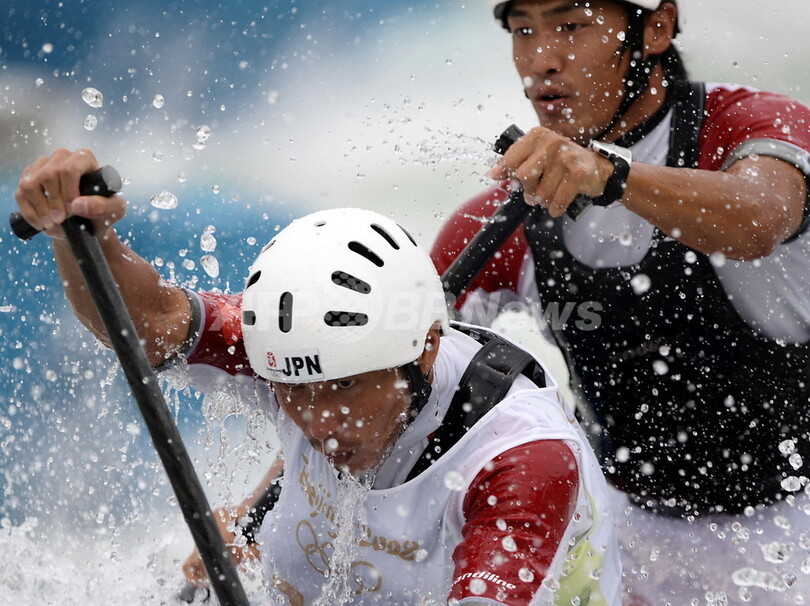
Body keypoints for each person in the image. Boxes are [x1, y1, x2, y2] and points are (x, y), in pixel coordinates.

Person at [14, 154, 622, 605]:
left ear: (426, 348)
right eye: (294, 392)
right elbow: (146, 324)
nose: (321, 422)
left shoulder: (523, 460)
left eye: (345, 387)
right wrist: (80, 235)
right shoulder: (293, 350)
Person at [431, 1, 810, 603]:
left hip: (793, 530)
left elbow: (762, 217)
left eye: (571, 26)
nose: (541, 61)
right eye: (523, 31)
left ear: (655, 29)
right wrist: (256, 512)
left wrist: (613, 176)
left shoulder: (748, 126)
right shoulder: (497, 221)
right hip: (620, 536)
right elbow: (391, 373)